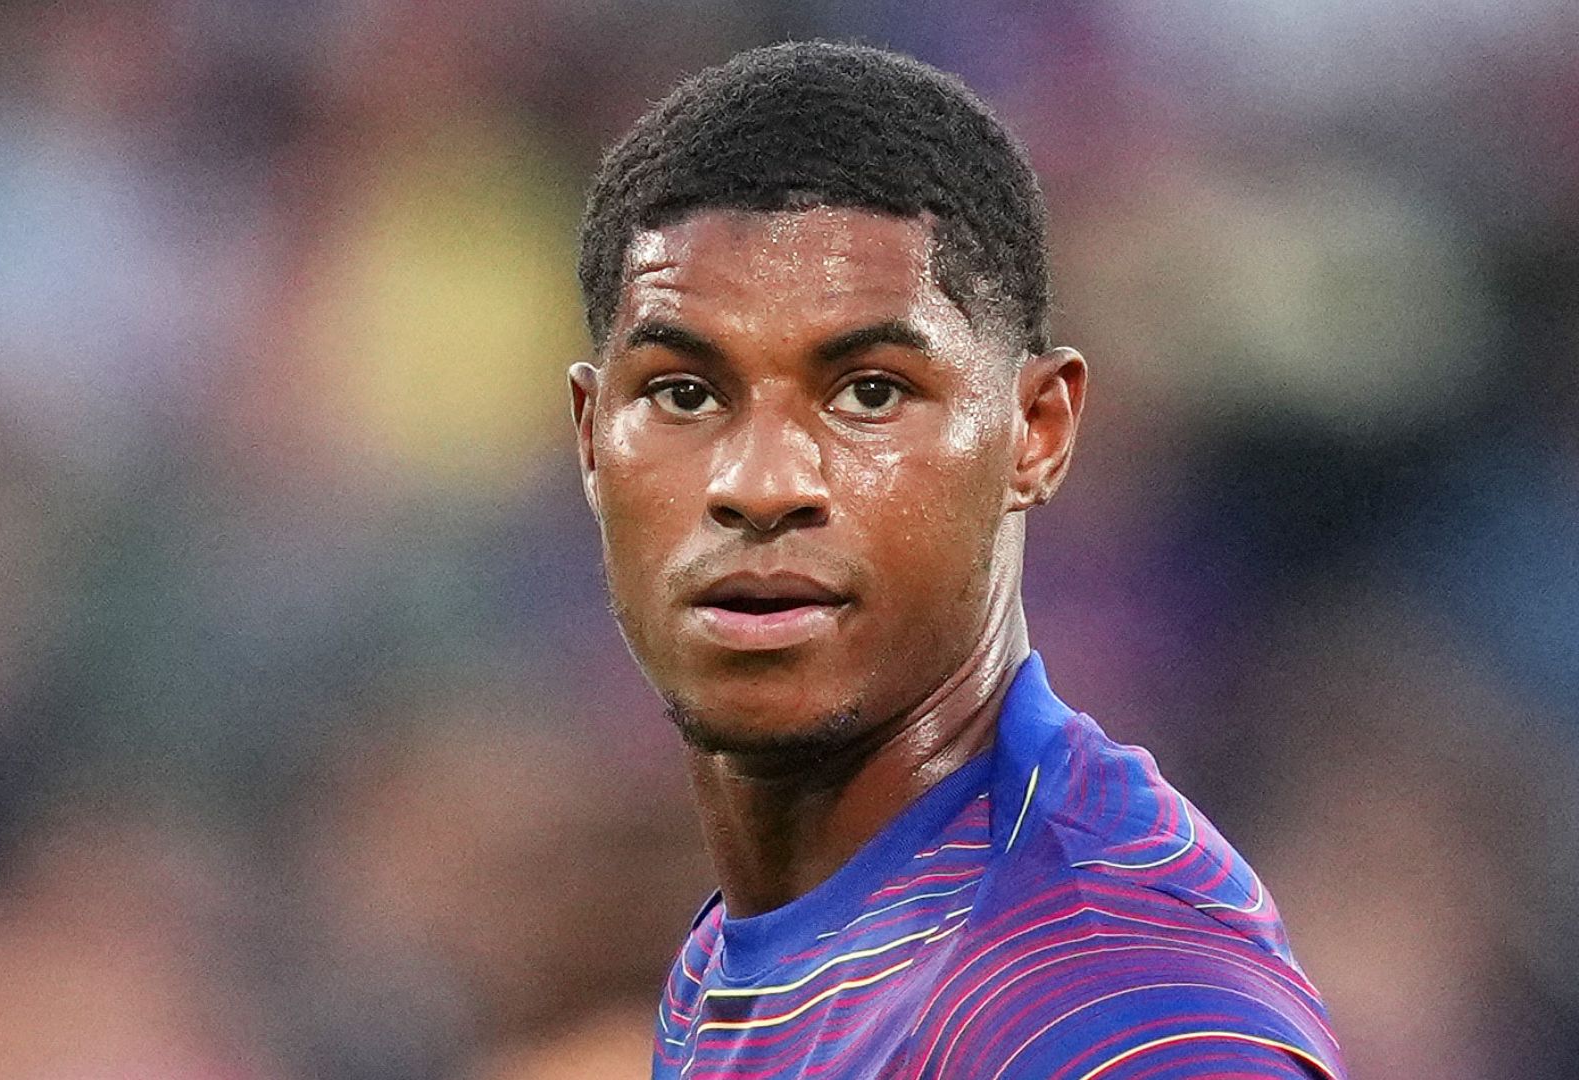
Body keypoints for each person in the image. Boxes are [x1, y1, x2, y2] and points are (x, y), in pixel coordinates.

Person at [566, 42, 1346, 1079]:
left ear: (1038, 430)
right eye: (684, 393)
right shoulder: (739, 960)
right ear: (588, 438)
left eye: (871, 392)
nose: (759, 482)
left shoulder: (1122, 1013)